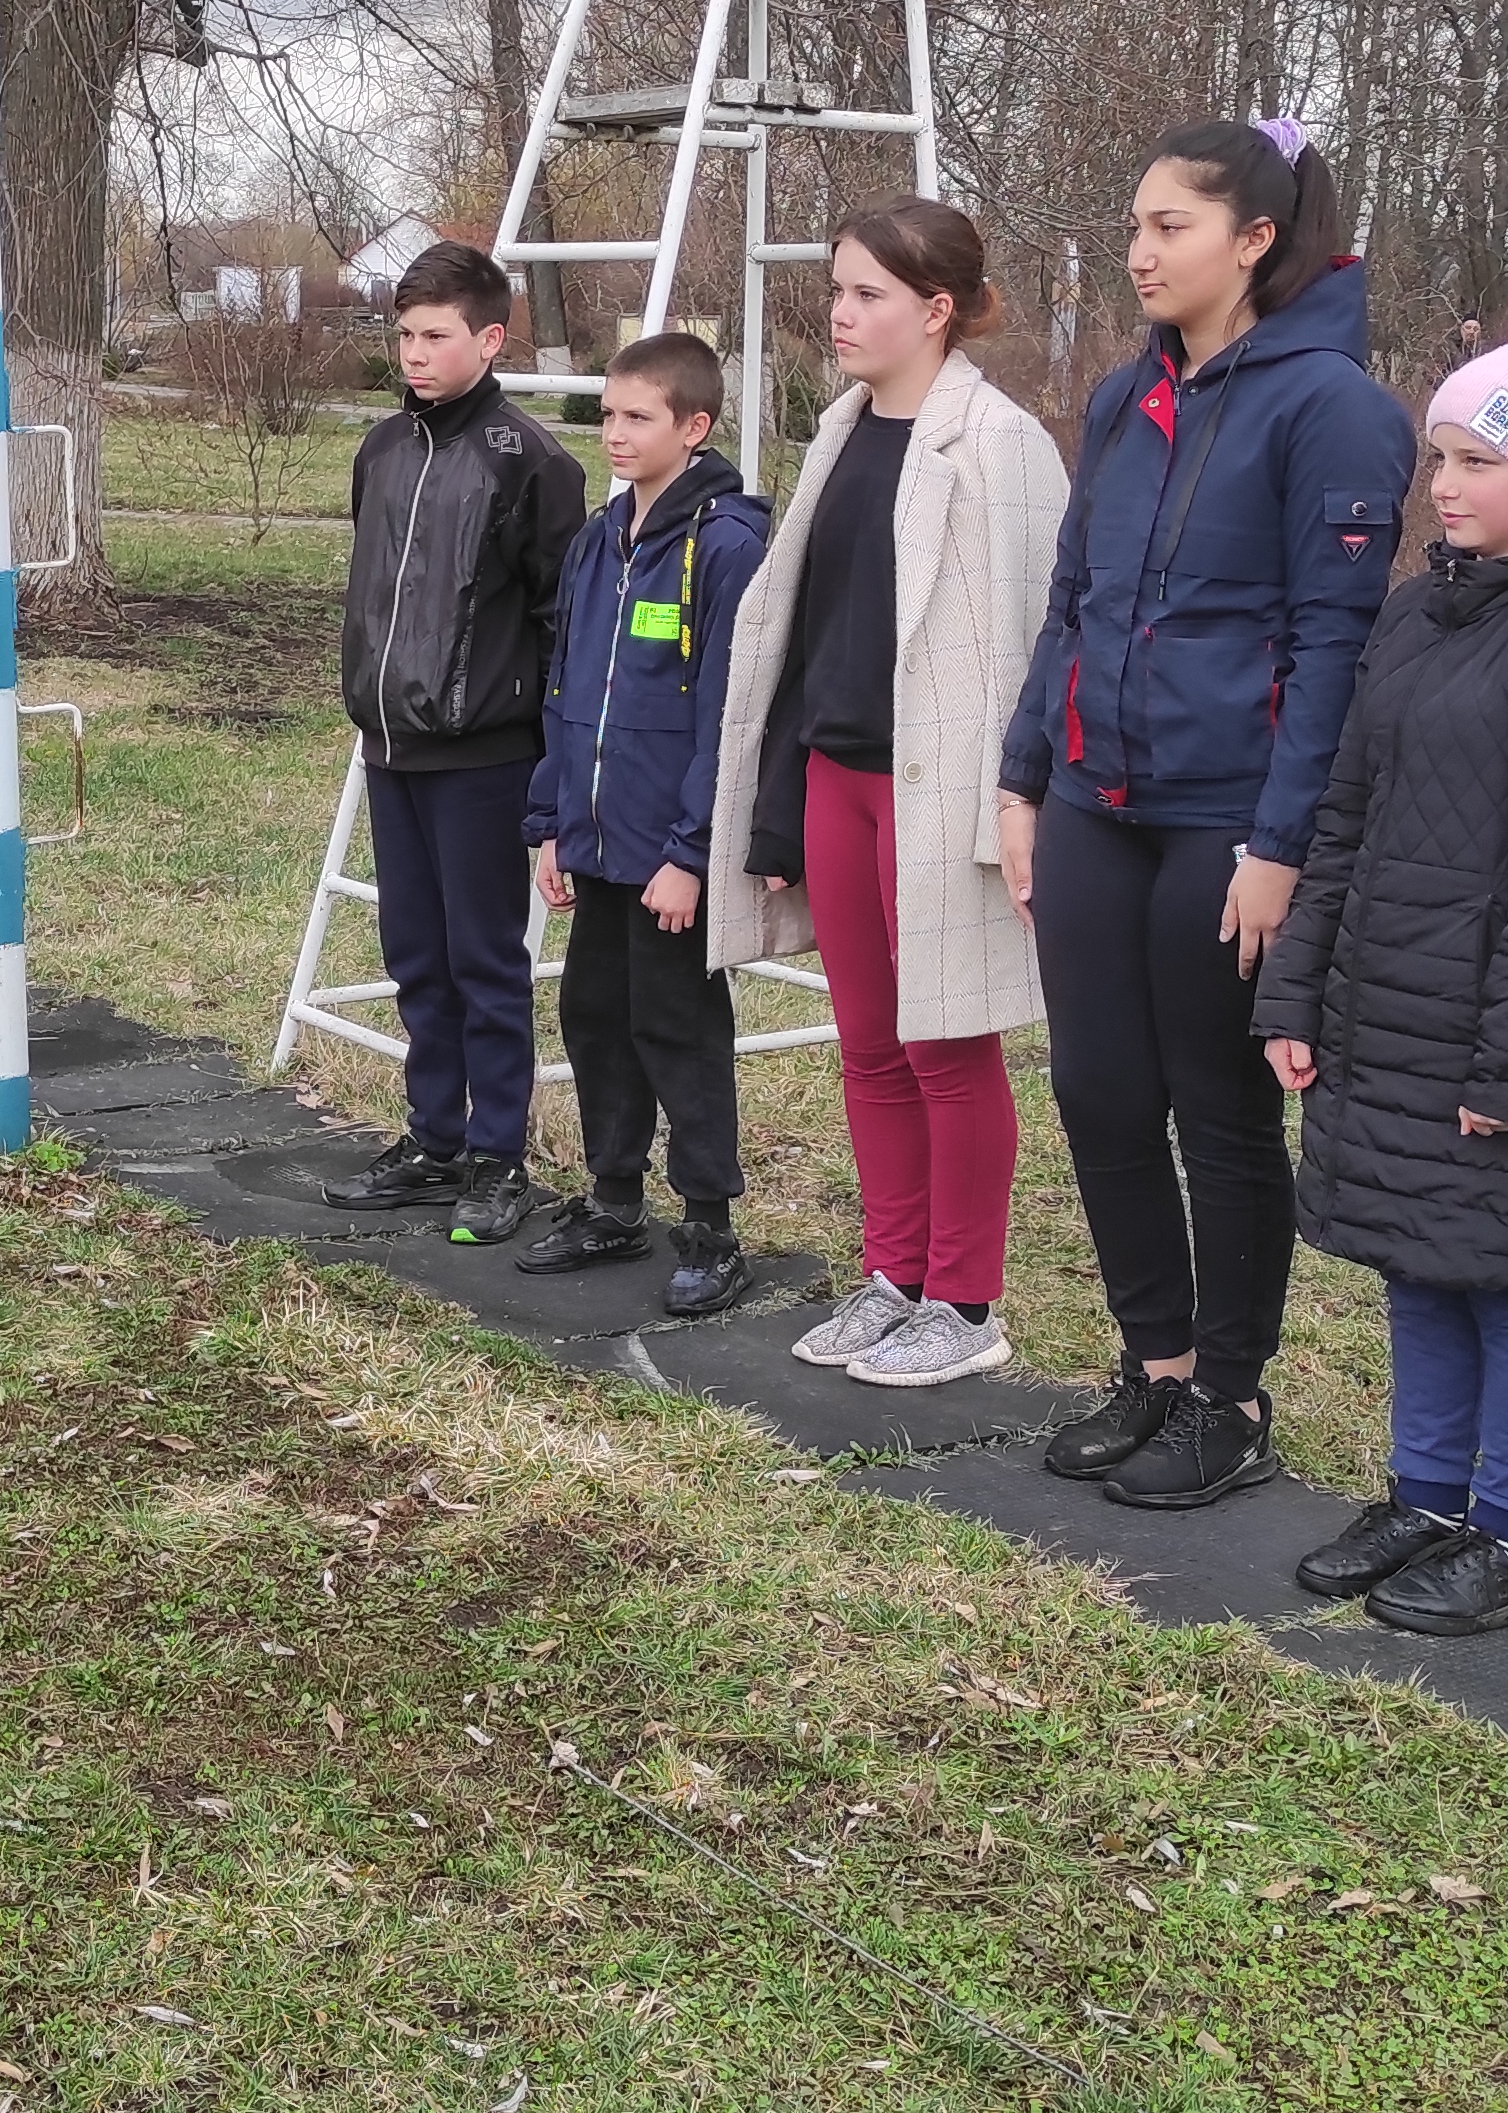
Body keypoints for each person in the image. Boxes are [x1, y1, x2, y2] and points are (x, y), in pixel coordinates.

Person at [999, 118, 1412, 1504]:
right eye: (1133, 226)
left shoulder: (1331, 406)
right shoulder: (1126, 399)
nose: (1138, 252)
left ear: (1255, 240)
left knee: (1214, 1108)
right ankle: (1156, 1366)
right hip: (1092, 801)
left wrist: (1278, 844)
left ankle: (1230, 1398)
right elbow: (1074, 604)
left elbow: (1330, 646)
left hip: (1223, 819)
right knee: (1098, 1089)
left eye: (1168, 225)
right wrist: (1023, 776)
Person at [1252, 334, 1508, 1636]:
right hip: (1388, 1009)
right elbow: (1347, 810)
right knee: (1416, 1263)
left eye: (1482, 458)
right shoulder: (1421, 608)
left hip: (1499, 1028)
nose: (1447, 481)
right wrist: (1295, 990)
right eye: (1441, 453)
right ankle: (1426, 1499)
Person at [705, 199, 1071, 1388]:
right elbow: (802, 631)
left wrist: (1010, 806)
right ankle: (894, 1274)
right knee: (867, 1043)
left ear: (937, 307)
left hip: (941, 795)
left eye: (865, 293)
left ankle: (964, 1302)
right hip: (837, 777)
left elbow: (1033, 642)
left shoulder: (1000, 444)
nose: (840, 314)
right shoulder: (841, 430)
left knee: (948, 1046)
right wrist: (778, 802)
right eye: (836, 291)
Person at [325, 240, 585, 1243]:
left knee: (485, 961)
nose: (414, 354)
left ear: (488, 338)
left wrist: (554, 775)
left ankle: (496, 1158)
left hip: (483, 756)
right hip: (390, 748)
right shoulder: (380, 450)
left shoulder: (532, 464)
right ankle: (432, 1141)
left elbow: (560, 622)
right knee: (414, 957)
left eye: (435, 336)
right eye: (403, 334)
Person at [521, 331, 770, 1314]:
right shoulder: (596, 540)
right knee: (594, 1018)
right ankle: (611, 1198)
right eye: (607, 414)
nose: (612, 434)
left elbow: (727, 719)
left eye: (636, 418)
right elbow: (563, 688)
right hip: (595, 839)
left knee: (678, 1027)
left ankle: (708, 1222)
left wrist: (690, 854)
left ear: (692, 426)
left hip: (672, 855)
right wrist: (550, 819)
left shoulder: (725, 549)